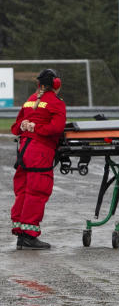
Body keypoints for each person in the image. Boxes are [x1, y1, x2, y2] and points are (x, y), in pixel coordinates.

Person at [10, 69, 66, 250]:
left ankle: (21, 232)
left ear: (39, 84)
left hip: (24, 152)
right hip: (40, 152)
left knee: (24, 191)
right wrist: (38, 129)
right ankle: (29, 236)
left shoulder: (30, 100)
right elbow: (57, 128)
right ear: (56, 84)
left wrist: (27, 126)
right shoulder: (56, 103)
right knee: (37, 191)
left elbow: (15, 127)